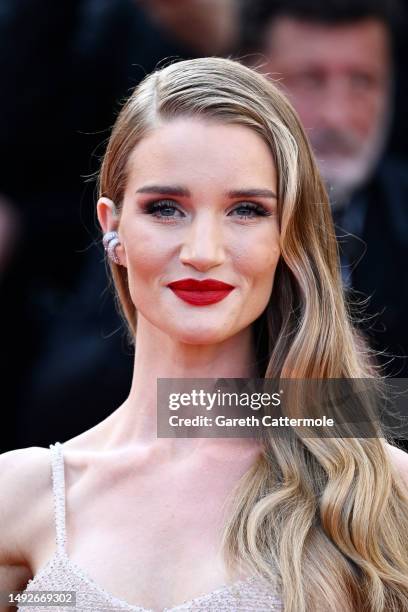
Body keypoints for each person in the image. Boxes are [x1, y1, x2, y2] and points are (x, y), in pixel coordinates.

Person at [1, 57, 408, 612]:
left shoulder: (380, 489)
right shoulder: (22, 495)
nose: (203, 253)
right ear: (112, 228)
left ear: (286, 235)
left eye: (246, 210)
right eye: (166, 208)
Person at [241, 0, 408, 378]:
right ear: (249, 80)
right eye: (310, 80)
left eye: (362, 81)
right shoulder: (186, 212)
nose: (337, 115)